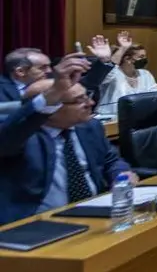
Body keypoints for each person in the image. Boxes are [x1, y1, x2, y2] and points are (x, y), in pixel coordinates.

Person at [0, 55, 136, 224]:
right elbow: (8, 137)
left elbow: (110, 159)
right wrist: (54, 91)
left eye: (87, 96)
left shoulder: (89, 126)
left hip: (94, 215)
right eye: (80, 100)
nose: (91, 103)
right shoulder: (23, 137)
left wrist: (121, 174)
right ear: (52, 109)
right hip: (36, 226)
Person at [1, 36, 115, 103]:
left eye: (49, 66)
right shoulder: (3, 90)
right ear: (20, 71)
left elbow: (88, 84)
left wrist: (104, 61)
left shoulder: (51, 79)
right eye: (42, 67)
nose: (49, 71)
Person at [96, 31, 157, 115]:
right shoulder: (113, 73)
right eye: (141, 57)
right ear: (127, 59)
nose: (145, 59)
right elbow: (109, 67)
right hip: (111, 119)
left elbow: (155, 96)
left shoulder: (145, 74)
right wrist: (123, 48)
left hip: (138, 117)